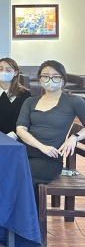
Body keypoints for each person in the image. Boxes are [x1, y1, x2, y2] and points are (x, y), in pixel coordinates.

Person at [16, 60, 85, 200]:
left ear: (63, 79)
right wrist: (42, 147)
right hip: (24, 153)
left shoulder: (73, 101)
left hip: (49, 160)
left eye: (55, 76)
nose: (50, 80)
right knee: (3, 171)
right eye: (45, 76)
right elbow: (21, 129)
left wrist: (74, 137)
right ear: (40, 79)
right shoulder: (30, 101)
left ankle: (29, 213)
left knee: (20, 175)